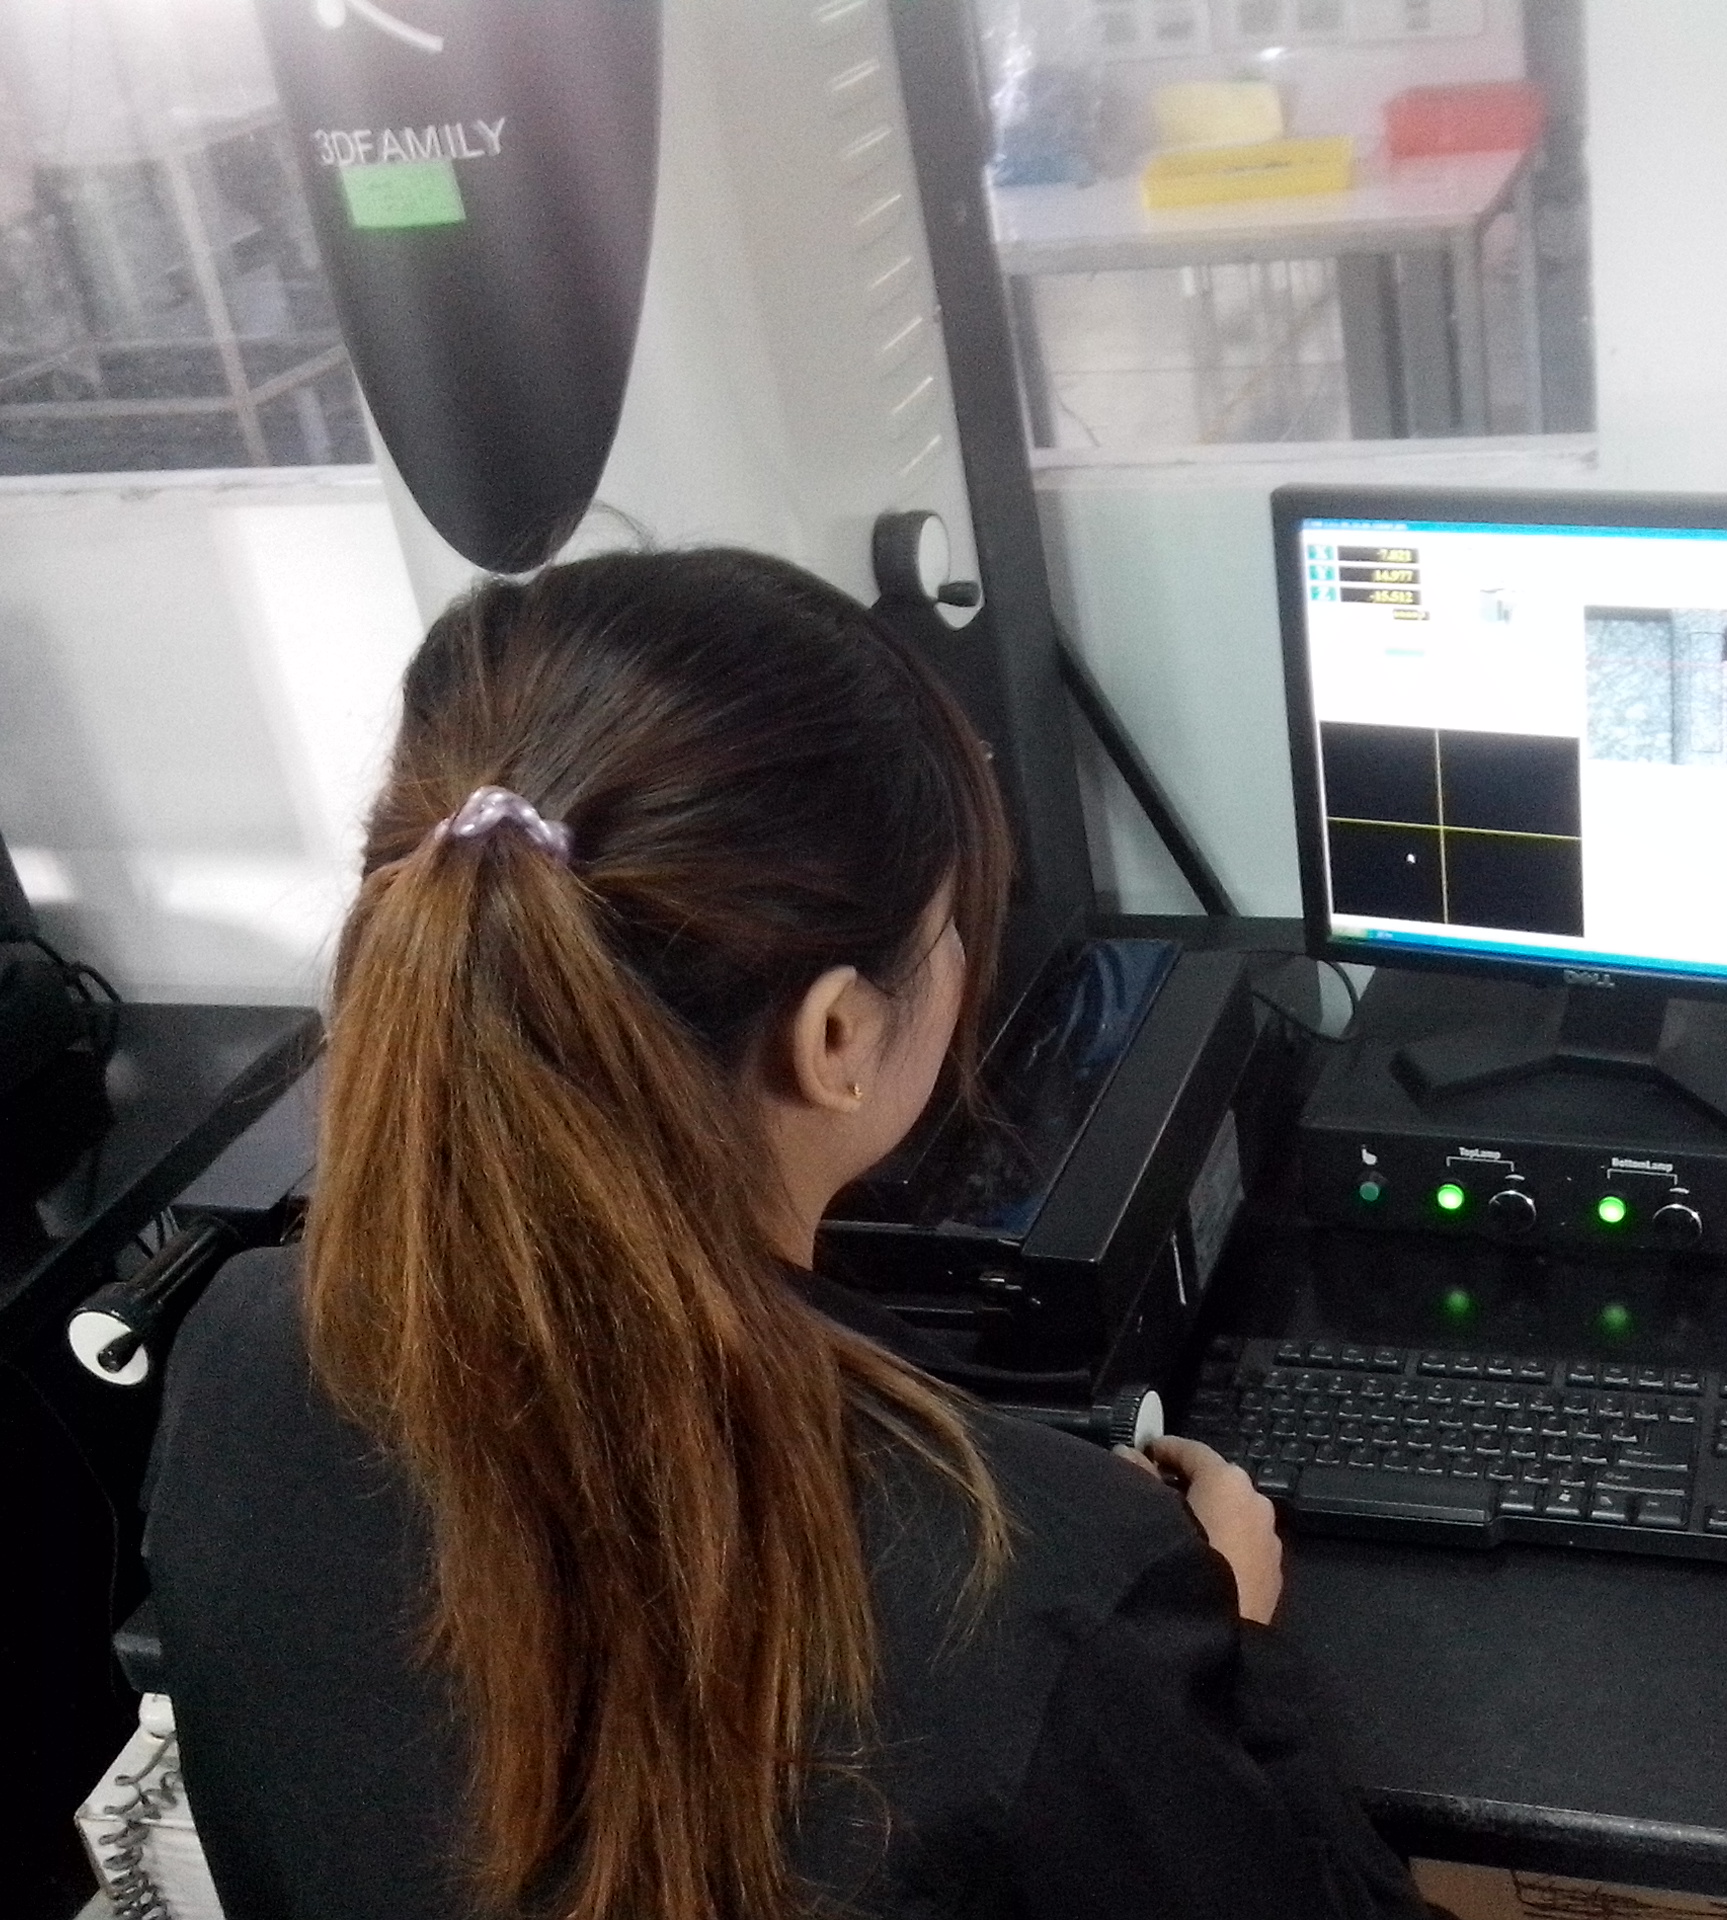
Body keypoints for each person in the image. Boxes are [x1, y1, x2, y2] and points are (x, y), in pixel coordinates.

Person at [142, 549, 1430, 1920]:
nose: (970, 963)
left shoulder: (243, 1346)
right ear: (835, 1036)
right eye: (953, 930)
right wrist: (1231, 1647)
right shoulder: (1031, 1586)